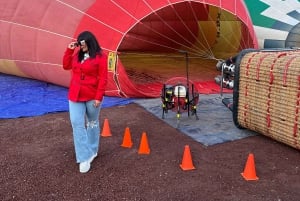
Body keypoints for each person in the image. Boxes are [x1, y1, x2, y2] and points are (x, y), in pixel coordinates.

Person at [62, 31, 108, 173]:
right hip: (75, 94)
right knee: (77, 124)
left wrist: (98, 97)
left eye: (82, 44)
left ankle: (93, 150)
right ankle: (83, 157)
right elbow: (66, 65)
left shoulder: (101, 57)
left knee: (92, 123)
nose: (80, 46)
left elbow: (103, 78)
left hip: (92, 95)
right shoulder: (77, 55)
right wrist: (70, 49)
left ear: (89, 42)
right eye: (79, 44)